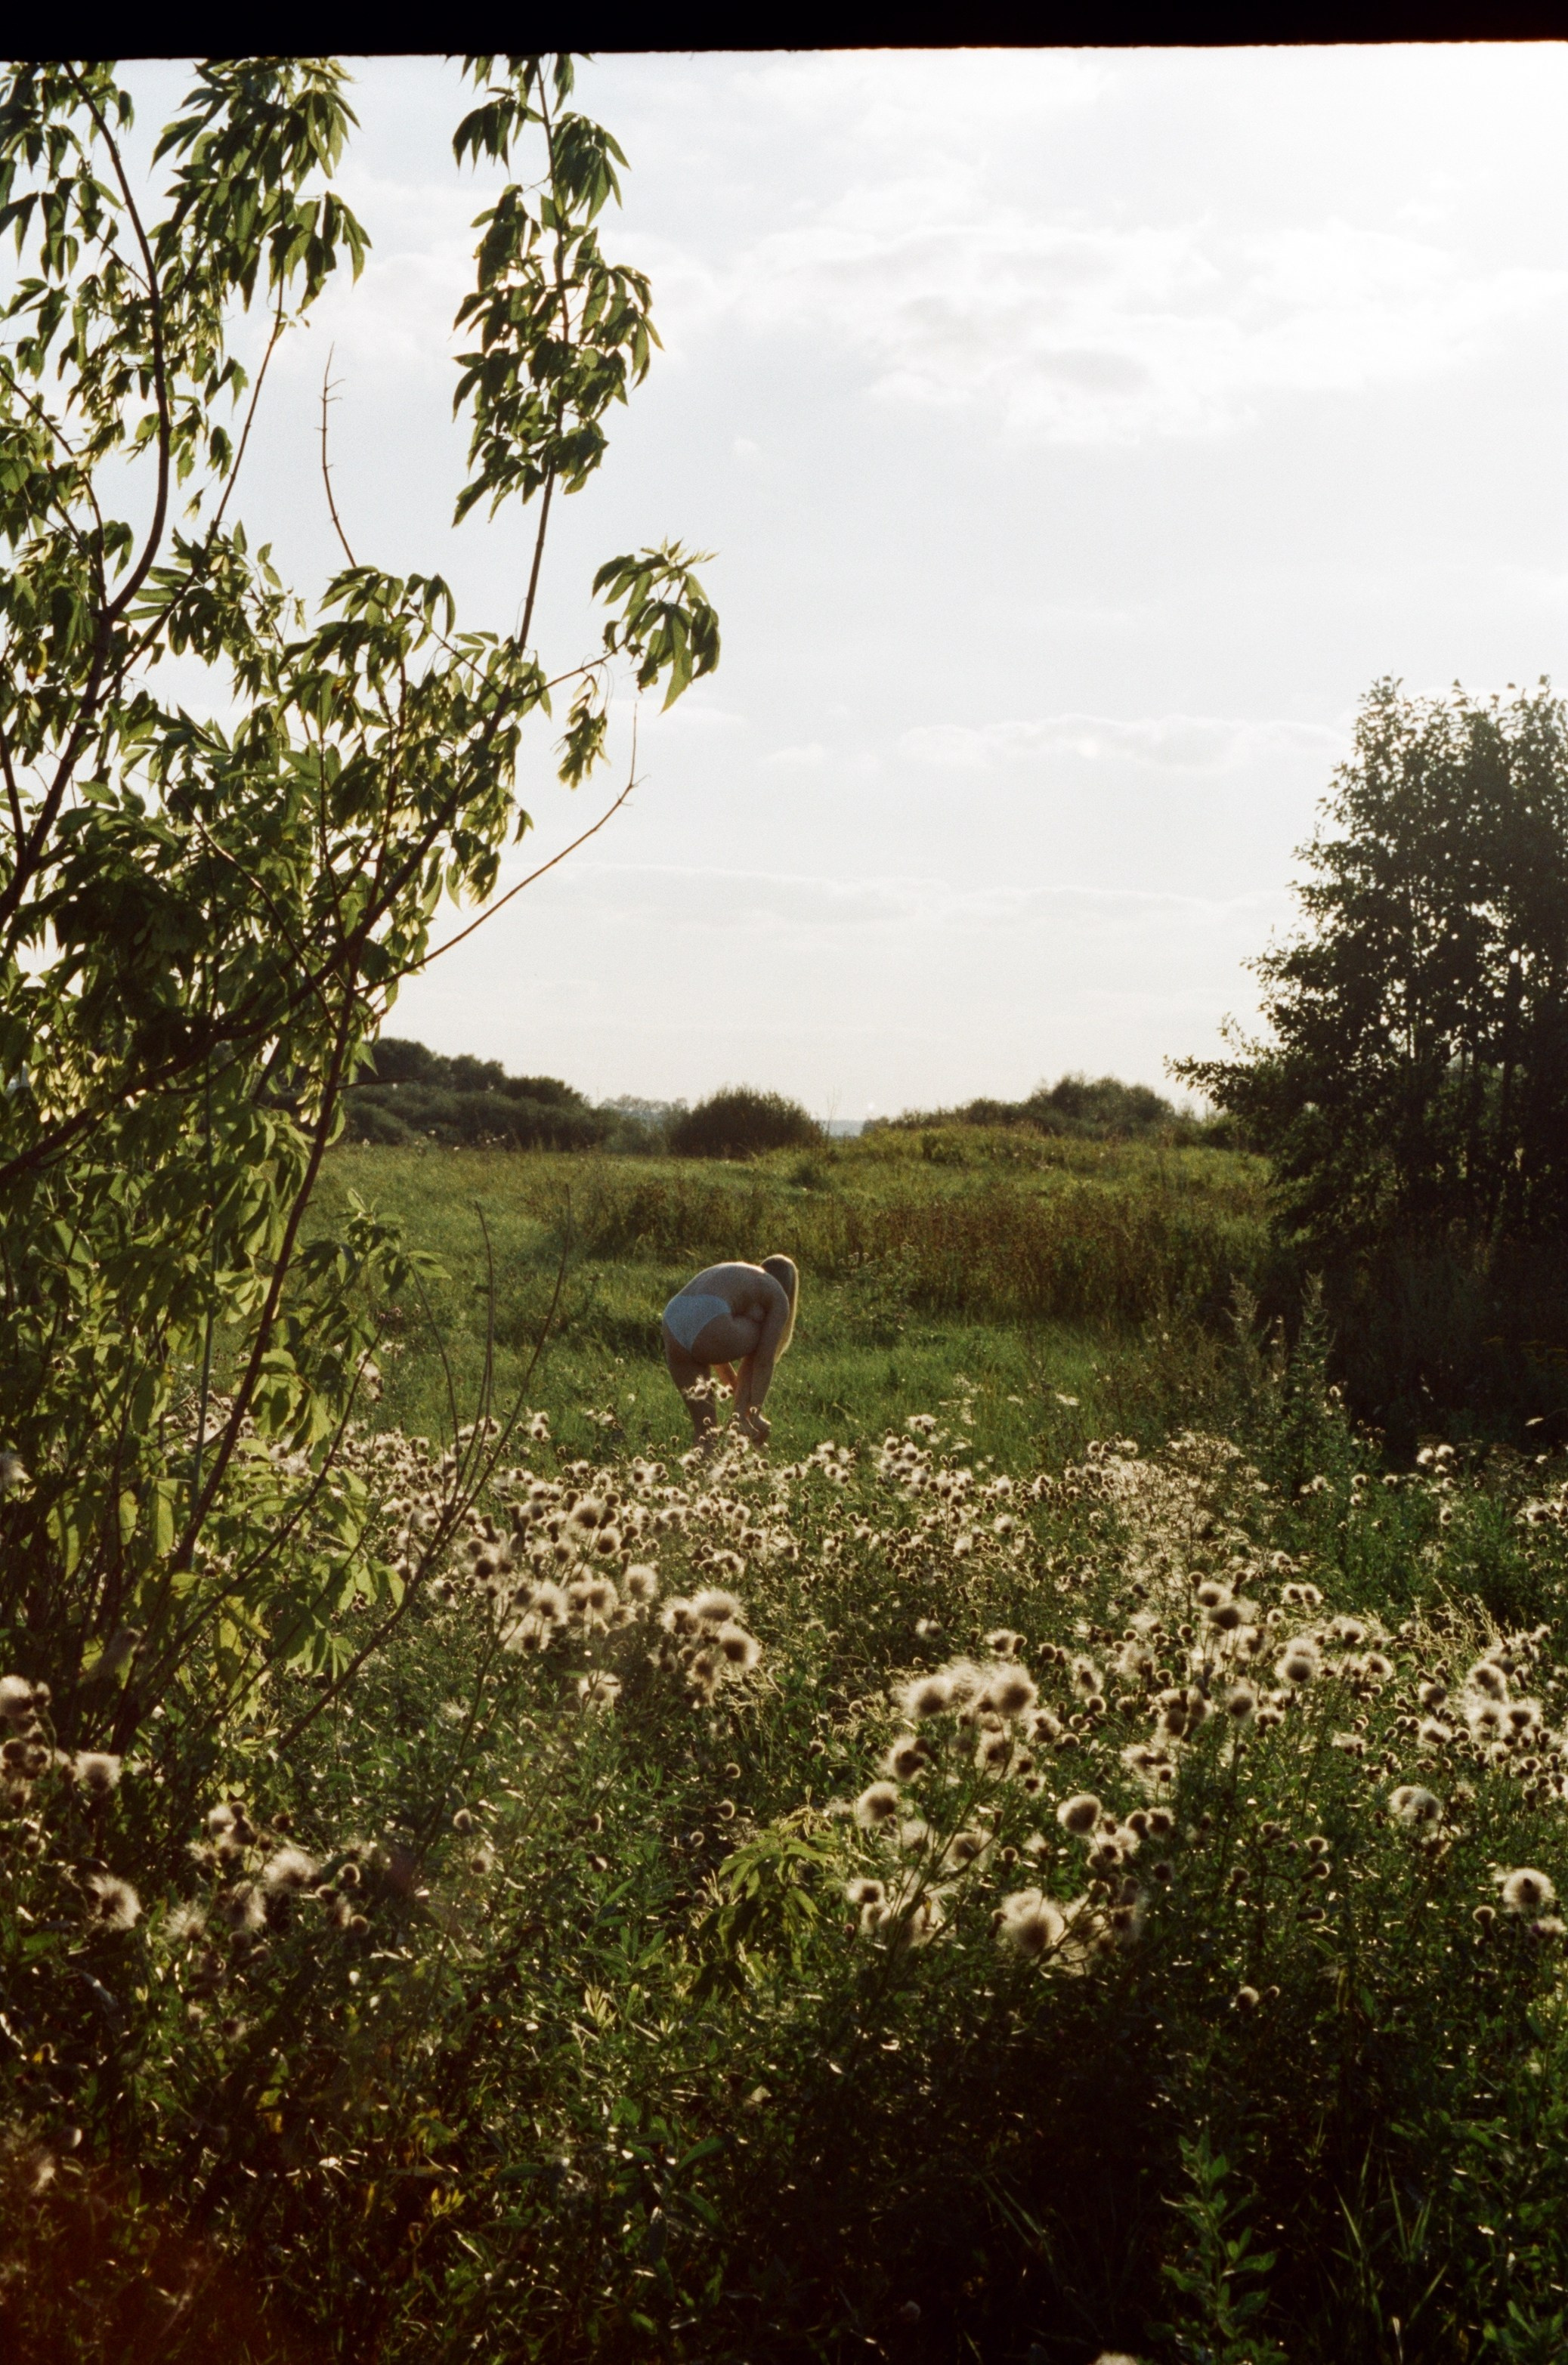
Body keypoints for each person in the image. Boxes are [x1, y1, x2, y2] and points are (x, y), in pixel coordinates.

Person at [661, 1256, 798, 1447]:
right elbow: (763, 1360)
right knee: (762, 1336)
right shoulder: (778, 1294)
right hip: (709, 1322)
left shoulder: (744, 1274)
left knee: (706, 1431)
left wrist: (735, 1388)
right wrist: (755, 1411)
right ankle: (744, 1417)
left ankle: (704, 1473)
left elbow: (708, 1339)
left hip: (673, 1319)